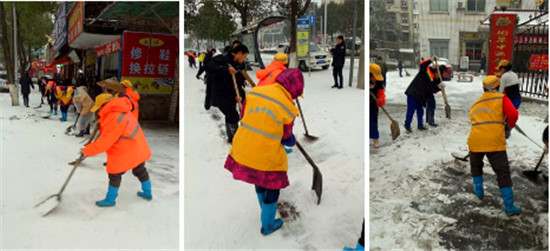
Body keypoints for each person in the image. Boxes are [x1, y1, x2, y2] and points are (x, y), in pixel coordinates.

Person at [224, 69, 303, 235]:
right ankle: (267, 224)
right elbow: (287, 138)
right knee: (272, 185)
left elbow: (245, 115)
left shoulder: (256, 92)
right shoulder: (288, 108)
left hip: (243, 146)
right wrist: (292, 140)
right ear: (295, 89)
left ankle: (263, 210)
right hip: (266, 154)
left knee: (258, 179)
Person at [82, 93, 152, 207]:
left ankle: (110, 200)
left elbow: (104, 143)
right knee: (140, 170)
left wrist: (87, 151)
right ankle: (148, 192)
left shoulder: (113, 118)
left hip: (125, 149)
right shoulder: (122, 110)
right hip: (137, 145)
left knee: (115, 173)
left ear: (104, 106)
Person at [467, 75, 520, 216]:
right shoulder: (501, 99)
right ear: (497, 87)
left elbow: (472, 119)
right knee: (502, 172)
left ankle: (478, 191)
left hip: (475, 140)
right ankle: (509, 206)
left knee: (476, 166)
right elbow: (513, 114)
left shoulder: (476, 104)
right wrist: (508, 126)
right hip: (494, 142)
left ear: (483, 88)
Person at [208, 44, 248, 143]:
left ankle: (232, 139)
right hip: (220, 94)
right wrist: (226, 69)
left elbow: (238, 81)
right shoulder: (222, 59)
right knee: (233, 116)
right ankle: (238, 140)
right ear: (239, 53)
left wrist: (240, 96)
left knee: (230, 115)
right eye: (244, 56)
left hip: (231, 95)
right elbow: (210, 68)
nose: (244, 59)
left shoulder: (237, 63)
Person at [403, 57, 444, 132]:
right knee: (411, 110)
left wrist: (439, 87)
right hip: (413, 92)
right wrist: (430, 60)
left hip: (420, 97)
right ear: (436, 72)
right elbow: (422, 65)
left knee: (420, 111)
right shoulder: (426, 72)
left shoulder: (433, 80)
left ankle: (420, 125)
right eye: (438, 74)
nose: (438, 77)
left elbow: (431, 90)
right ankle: (407, 125)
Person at [496, 60, 522, 138]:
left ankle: (505, 134)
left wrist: (498, 99)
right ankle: (507, 132)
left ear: (503, 69)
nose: (500, 71)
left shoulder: (504, 76)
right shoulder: (514, 74)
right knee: (510, 115)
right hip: (518, 99)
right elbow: (518, 84)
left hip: (511, 100)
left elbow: (501, 90)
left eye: (500, 69)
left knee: (505, 115)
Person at [369, 63, 385, 148]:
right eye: (374, 76)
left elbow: (382, 94)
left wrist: (381, 100)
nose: (376, 79)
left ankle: (375, 138)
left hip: (373, 105)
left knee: (373, 122)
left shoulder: (379, 83)